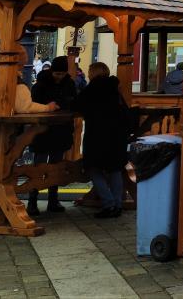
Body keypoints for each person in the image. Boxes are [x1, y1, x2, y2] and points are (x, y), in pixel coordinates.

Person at [73, 62, 130, 218]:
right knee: (115, 169)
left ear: (92, 73)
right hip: (117, 136)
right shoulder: (115, 89)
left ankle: (108, 203)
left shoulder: (91, 90)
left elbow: (77, 105)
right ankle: (117, 204)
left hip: (97, 135)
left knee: (93, 168)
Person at [27, 57, 78, 216]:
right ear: (51, 71)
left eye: (62, 73)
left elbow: (73, 100)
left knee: (56, 166)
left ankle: (53, 200)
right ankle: (32, 200)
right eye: (57, 73)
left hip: (60, 130)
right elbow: (34, 103)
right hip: (43, 130)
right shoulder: (41, 84)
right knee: (39, 166)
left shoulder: (69, 83)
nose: (59, 76)